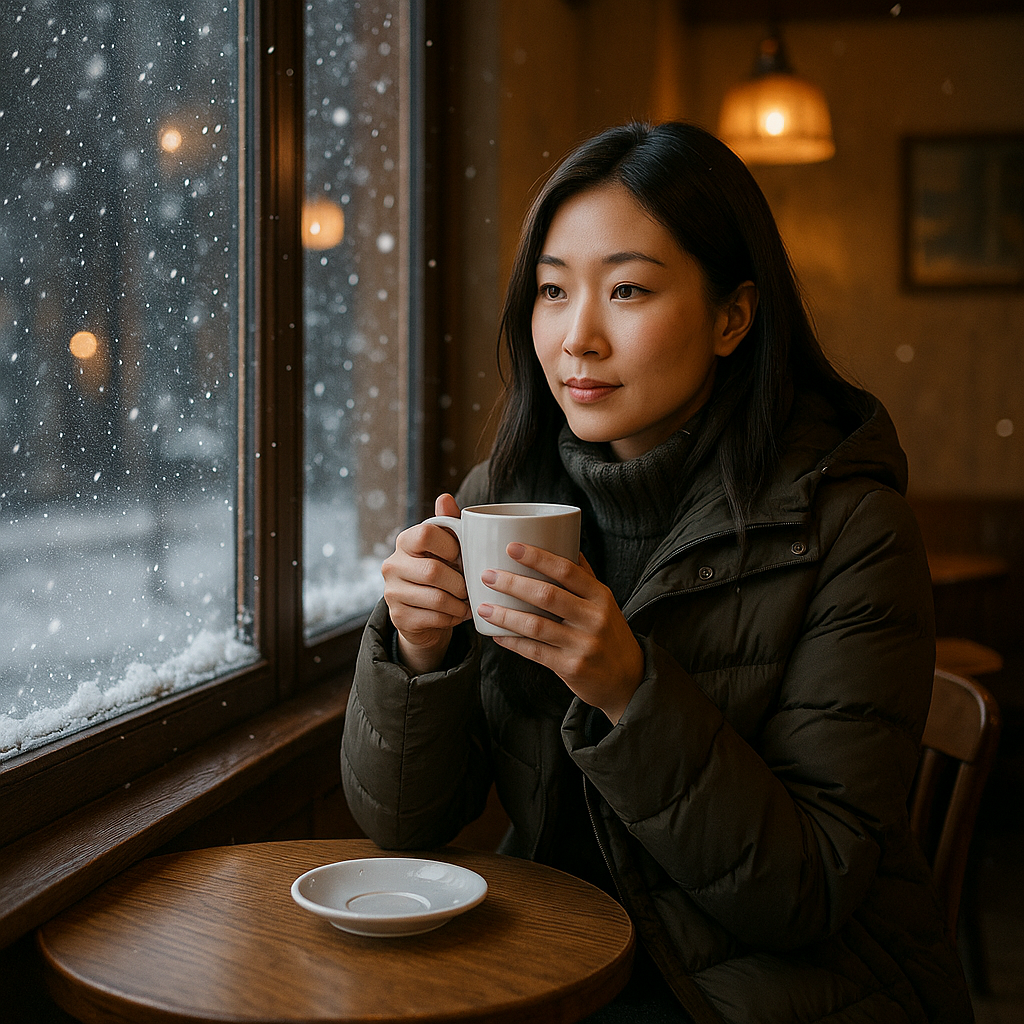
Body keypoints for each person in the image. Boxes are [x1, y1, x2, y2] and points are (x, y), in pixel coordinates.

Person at [341, 121, 972, 1023]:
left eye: (628, 289)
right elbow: (405, 827)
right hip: (555, 967)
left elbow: (806, 893)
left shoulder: (850, 529)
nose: (578, 338)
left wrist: (627, 688)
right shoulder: (506, 498)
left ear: (732, 318)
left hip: (774, 991)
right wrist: (417, 653)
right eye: (553, 292)